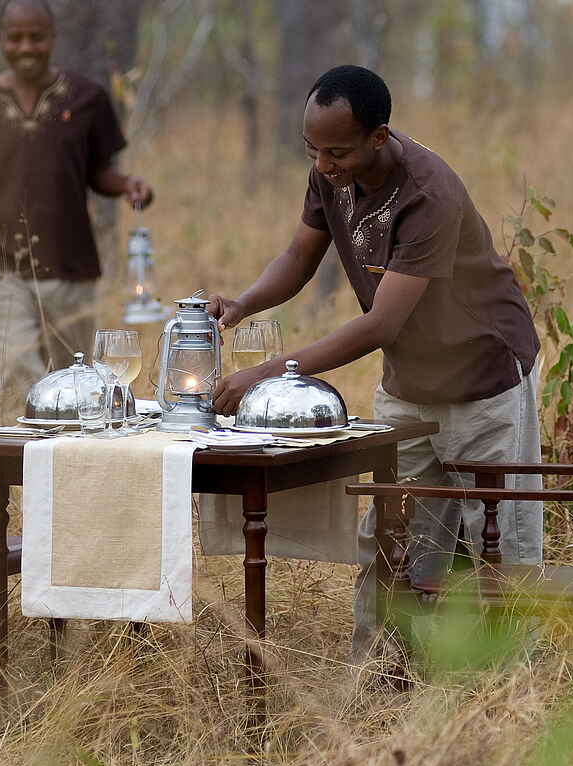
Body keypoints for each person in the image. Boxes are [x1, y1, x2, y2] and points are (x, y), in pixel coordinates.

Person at [207, 65, 542, 660]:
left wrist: (270, 372)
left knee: (499, 542)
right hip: (409, 383)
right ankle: (378, 682)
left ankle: (510, 691)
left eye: (336, 151)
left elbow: (381, 324)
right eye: (312, 149)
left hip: (483, 380)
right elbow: (298, 255)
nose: (322, 165)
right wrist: (244, 301)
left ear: (379, 138)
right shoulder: (331, 174)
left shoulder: (427, 195)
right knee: (393, 541)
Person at [0, 0, 154, 417]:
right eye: (16, 38)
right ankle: (9, 471)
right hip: (0, 264)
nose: (26, 47)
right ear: (1, 40)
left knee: (76, 382)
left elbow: (97, 172)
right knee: (15, 368)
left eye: (36, 38)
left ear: (53, 38)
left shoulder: (86, 98)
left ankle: (66, 476)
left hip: (70, 264)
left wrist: (128, 185)